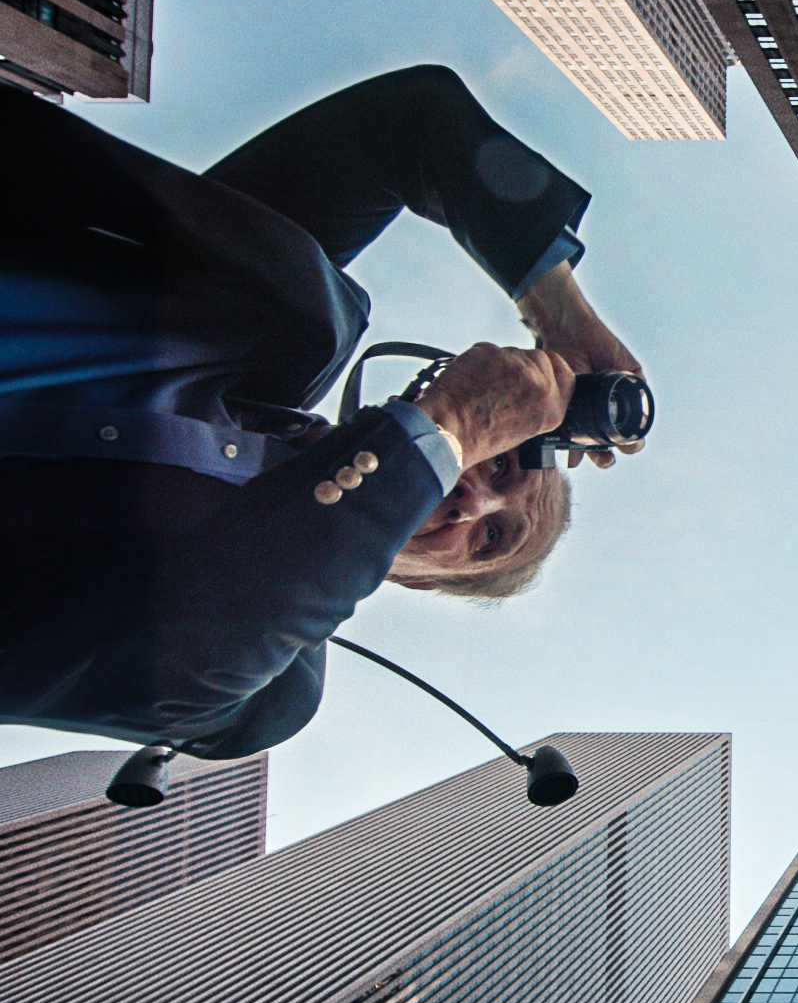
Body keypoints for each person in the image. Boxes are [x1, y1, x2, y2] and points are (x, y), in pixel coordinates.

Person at [0, 65, 642, 760]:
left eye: (489, 539)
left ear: (408, 577)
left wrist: (443, 438)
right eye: (505, 458)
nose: (475, 499)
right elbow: (409, 120)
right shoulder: (287, 319)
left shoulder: (268, 688)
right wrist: (560, 313)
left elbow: (179, 670)